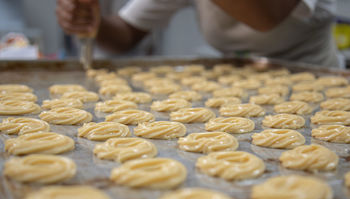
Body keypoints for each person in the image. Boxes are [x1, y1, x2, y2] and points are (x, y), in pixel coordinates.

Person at [56, 0, 339, 67]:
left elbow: (267, 17)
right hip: (235, 94)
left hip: (315, 79)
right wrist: (92, 23)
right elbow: (127, 33)